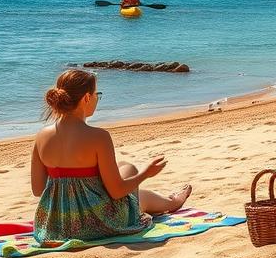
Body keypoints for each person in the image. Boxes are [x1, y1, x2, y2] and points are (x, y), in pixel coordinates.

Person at [30, 69, 192, 244]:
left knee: (123, 167)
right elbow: (117, 192)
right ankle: (172, 202)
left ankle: (170, 201)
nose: (97, 99)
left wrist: (71, 178)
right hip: (98, 223)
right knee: (130, 172)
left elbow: (38, 189)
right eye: (96, 94)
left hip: (59, 224)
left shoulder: (41, 136)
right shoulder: (98, 137)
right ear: (86, 98)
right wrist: (146, 173)